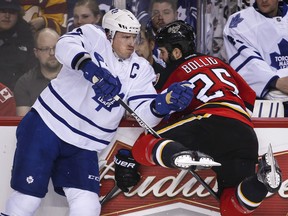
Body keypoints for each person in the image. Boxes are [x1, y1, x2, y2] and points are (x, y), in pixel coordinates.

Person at [0, 9, 193, 216]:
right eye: (125, 37)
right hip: (47, 125)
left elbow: (142, 113)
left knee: (88, 206)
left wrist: (164, 103)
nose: (132, 43)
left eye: (134, 37)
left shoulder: (141, 69)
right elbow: (64, 46)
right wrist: (89, 68)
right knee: (27, 199)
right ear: (110, 34)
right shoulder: (93, 36)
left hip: (84, 144)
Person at [129, 21, 282, 216]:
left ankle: (179, 155)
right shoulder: (219, 63)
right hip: (245, 131)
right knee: (231, 206)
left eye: (164, 52)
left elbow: (161, 116)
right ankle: (261, 182)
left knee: (143, 144)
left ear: (176, 52)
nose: (162, 56)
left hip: (209, 122)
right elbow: (249, 97)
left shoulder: (173, 72)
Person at [223, 0, 288, 116]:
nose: (264, 0)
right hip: (265, 103)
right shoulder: (239, 22)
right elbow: (248, 64)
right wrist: (275, 82)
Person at [14, 28, 61, 117]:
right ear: (36, 53)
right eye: (45, 49)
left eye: (55, 47)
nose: (52, 53)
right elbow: (24, 123)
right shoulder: (24, 84)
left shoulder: (76, 77)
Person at [0, 0, 36, 91]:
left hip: (18, 92)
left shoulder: (26, 35)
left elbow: (31, 71)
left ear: (18, 14)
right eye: (3, 11)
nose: (7, 16)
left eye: (12, 12)